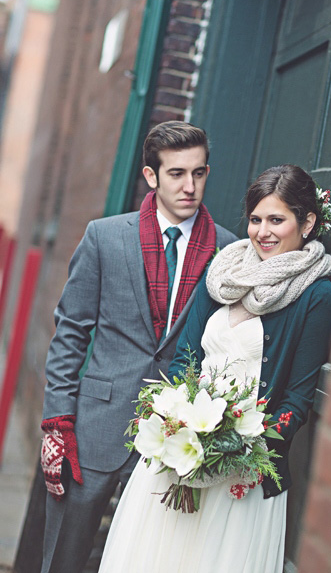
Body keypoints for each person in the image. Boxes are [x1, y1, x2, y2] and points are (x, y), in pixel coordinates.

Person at [98, 163, 331, 573]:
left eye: (277, 220)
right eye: (256, 219)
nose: (263, 231)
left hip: (242, 472)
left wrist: (237, 452)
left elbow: (296, 401)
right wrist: (174, 428)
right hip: (179, 458)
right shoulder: (224, 275)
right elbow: (181, 364)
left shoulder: (316, 294)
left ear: (308, 222)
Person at [40, 121, 237, 573]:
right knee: (65, 555)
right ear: (151, 176)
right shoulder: (104, 236)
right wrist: (57, 421)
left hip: (175, 434)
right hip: (97, 426)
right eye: (176, 174)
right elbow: (71, 334)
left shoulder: (227, 250)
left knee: (148, 558)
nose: (190, 186)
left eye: (200, 173)